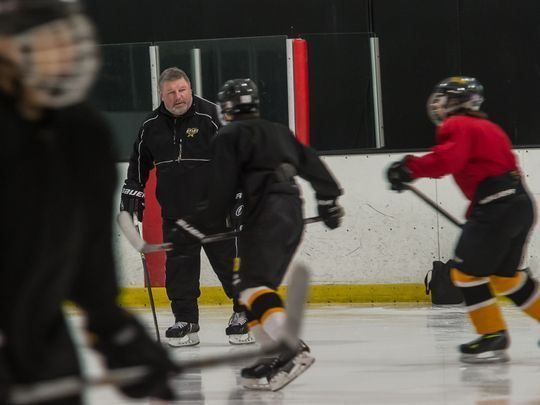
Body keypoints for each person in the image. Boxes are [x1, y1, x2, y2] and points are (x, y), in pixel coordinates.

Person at [0, 0, 179, 404]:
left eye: (66, 37)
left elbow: (88, 250)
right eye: (48, 38)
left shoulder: (81, 134)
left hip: (39, 333)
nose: (64, 51)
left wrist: (112, 326)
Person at [176, 78, 344, 390]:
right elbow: (312, 163)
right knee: (247, 288)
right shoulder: (279, 130)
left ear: (226, 108)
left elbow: (221, 190)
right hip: (290, 212)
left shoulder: (228, 135)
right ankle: (272, 353)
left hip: (264, 214)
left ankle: (289, 348)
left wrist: (196, 224)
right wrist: (328, 200)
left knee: (251, 286)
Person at [387, 76, 540, 363]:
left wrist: (409, 168)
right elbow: (496, 173)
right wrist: (478, 215)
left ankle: (492, 334)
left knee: (466, 274)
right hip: (519, 205)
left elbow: (448, 160)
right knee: (505, 278)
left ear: (454, 103)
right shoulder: (488, 126)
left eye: (443, 99)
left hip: (496, 208)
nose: (438, 105)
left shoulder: (457, 124)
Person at [120, 67, 252, 347]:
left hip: (217, 212)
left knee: (231, 267)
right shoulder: (150, 126)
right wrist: (132, 192)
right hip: (177, 215)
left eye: (182, 90)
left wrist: (242, 198)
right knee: (179, 270)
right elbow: (138, 165)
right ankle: (186, 319)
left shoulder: (213, 116)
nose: (178, 97)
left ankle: (244, 313)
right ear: (161, 95)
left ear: (190, 89)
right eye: (171, 92)